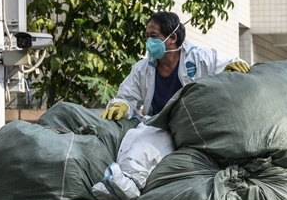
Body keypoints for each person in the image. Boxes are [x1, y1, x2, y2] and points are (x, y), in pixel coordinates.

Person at [100, 11, 250, 120]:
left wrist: (235, 65)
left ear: (172, 37)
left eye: (153, 37)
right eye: (147, 37)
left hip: (193, 126)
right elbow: (127, 96)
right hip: (157, 128)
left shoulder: (200, 59)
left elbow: (228, 64)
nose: (148, 43)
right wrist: (122, 105)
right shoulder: (142, 69)